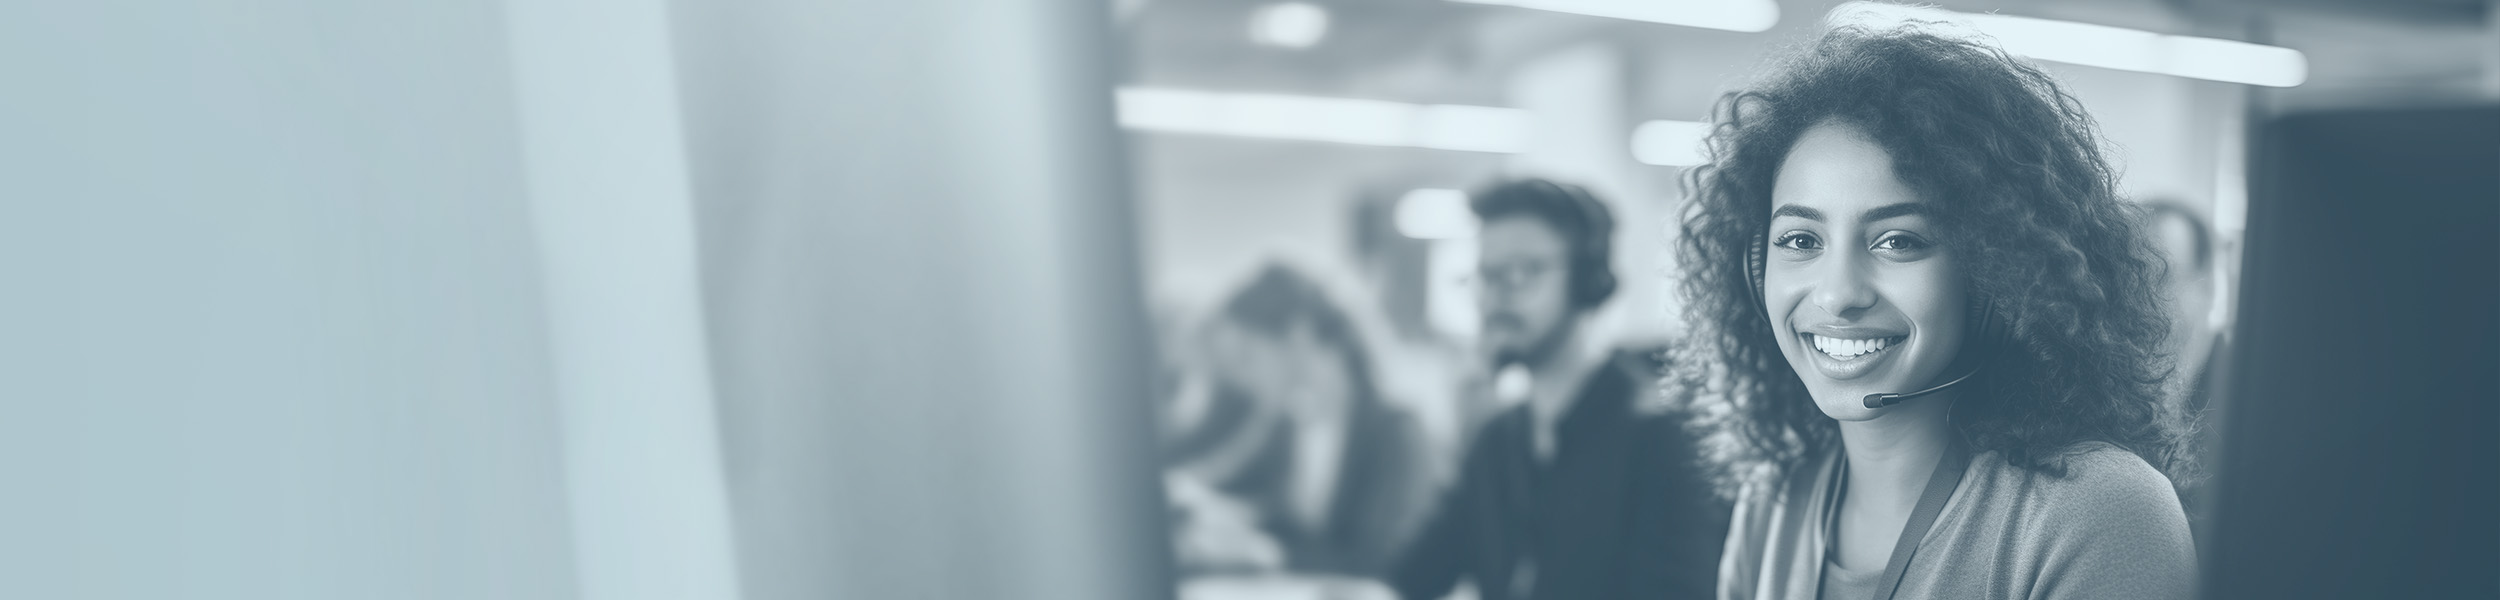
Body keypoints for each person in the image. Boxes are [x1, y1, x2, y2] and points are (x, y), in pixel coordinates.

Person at [1666, 25, 2197, 600]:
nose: (1837, 294)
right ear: (1754, 268)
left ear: (1996, 270)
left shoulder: (2094, 511)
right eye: (1799, 240)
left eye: (1897, 241)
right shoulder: (1775, 497)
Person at [1388, 179, 1725, 600]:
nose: (1493, 298)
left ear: (1589, 281)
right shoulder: (1498, 440)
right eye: (1485, 276)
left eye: (1519, 273)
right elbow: (1411, 578)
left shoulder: (1660, 437)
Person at [1163, 264, 1440, 577]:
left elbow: (1378, 563)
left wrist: (1267, 554)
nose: (1243, 380)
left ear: (1298, 336)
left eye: (1247, 357)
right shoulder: (1293, 425)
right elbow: (1287, 524)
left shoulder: (1398, 432)